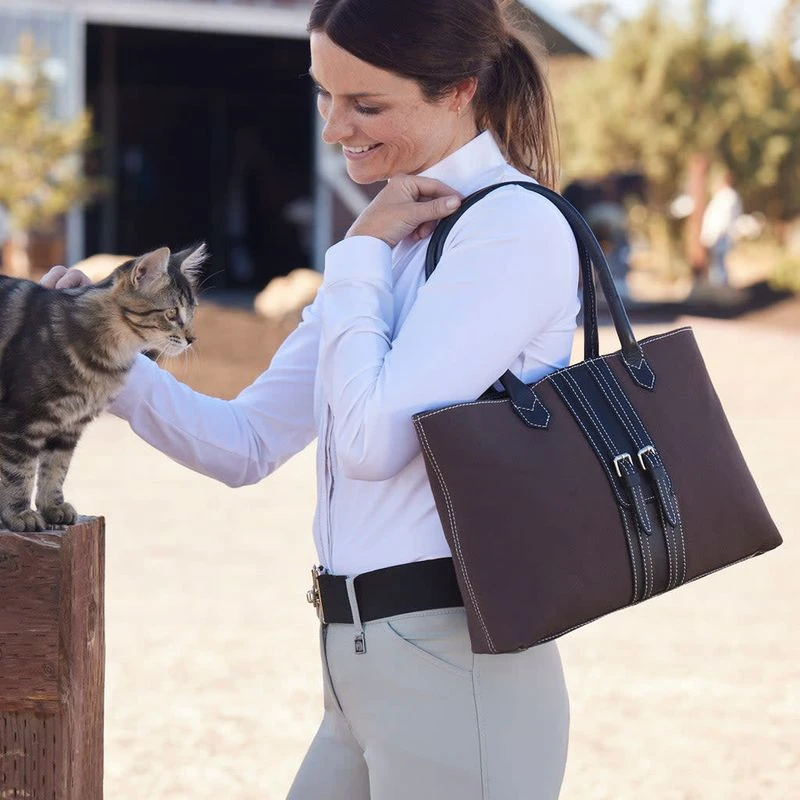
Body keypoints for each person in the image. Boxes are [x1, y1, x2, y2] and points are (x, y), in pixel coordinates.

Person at [43, 1, 580, 796]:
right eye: (324, 95)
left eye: (367, 105)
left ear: (461, 89)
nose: (334, 129)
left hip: (457, 670)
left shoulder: (509, 233)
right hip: (357, 667)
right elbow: (245, 443)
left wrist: (358, 253)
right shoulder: (394, 239)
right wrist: (106, 350)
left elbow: (373, 444)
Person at [700, 169, 743, 287]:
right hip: (718, 234)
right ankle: (720, 286)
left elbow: (723, 218)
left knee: (719, 264)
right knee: (718, 263)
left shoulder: (727, 197)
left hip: (721, 235)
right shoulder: (723, 196)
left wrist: (715, 233)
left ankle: (720, 288)